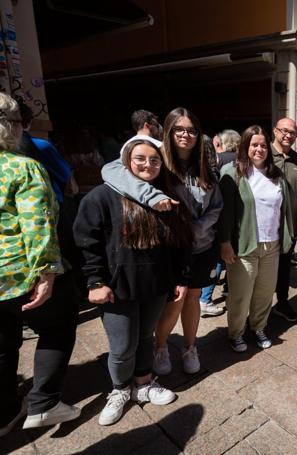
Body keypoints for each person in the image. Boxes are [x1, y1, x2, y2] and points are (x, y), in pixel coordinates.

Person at [74, 139, 192, 425]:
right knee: (122, 346)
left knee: (145, 337)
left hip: (154, 284)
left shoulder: (163, 197)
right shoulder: (102, 197)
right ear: (126, 160)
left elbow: (175, 243)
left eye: (154, 160)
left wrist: (176, 278)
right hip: (117, 288)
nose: (148, 165)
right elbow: (85, 242)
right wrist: (95, 282)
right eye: (140, 158)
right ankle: (119, 390)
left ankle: (143, 383)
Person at [101, 107, 223, 375]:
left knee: (192, 299)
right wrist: (151, 195)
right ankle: (161, 347)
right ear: (168, 130)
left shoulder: (205, 166)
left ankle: (190, 347)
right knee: (173, 302)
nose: (185, 135)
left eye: (191, 130)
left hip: (200, 247)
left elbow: (216, 206)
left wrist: (199, 228)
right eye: (179, 129)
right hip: (168, 249)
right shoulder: (157, 158)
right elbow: (111, 170)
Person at [0, 93, 80, 436]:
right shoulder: (22, 166)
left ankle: (4, 412)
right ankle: (44, 402)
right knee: (58, 326)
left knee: (3, 343)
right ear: (10, 127)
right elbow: (37, 224)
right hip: (21, 273)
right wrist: (47, 274)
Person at [219, 125, 294, 352]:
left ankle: (258, 326)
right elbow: (225, 213)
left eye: (263, 145)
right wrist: (225, 243)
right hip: (244, 245)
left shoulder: (276, 176)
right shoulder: (232, 173)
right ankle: (236, 333)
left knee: (264, 293)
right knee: (241, 296)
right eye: (254, 145)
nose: (259, 149)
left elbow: (285, 210)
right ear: (245, 146)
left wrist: (287, 237)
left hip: (271, 244)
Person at [198, 129, 242, 315]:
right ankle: (205, 298)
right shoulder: (237, 160)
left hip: (215, 218)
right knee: (221, 259)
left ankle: (207, 296)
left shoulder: (218, 158)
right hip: (227, 217)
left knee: (218, 258)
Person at [270, 117, 297, 323]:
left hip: (289, 226)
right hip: (264, 227)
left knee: (284, 268)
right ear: (275, 131)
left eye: (292, 133)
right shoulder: (262, 154)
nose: (288, 135)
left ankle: (282, 303)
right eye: (284, 131)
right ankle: (258, 309)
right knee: (262, 271)